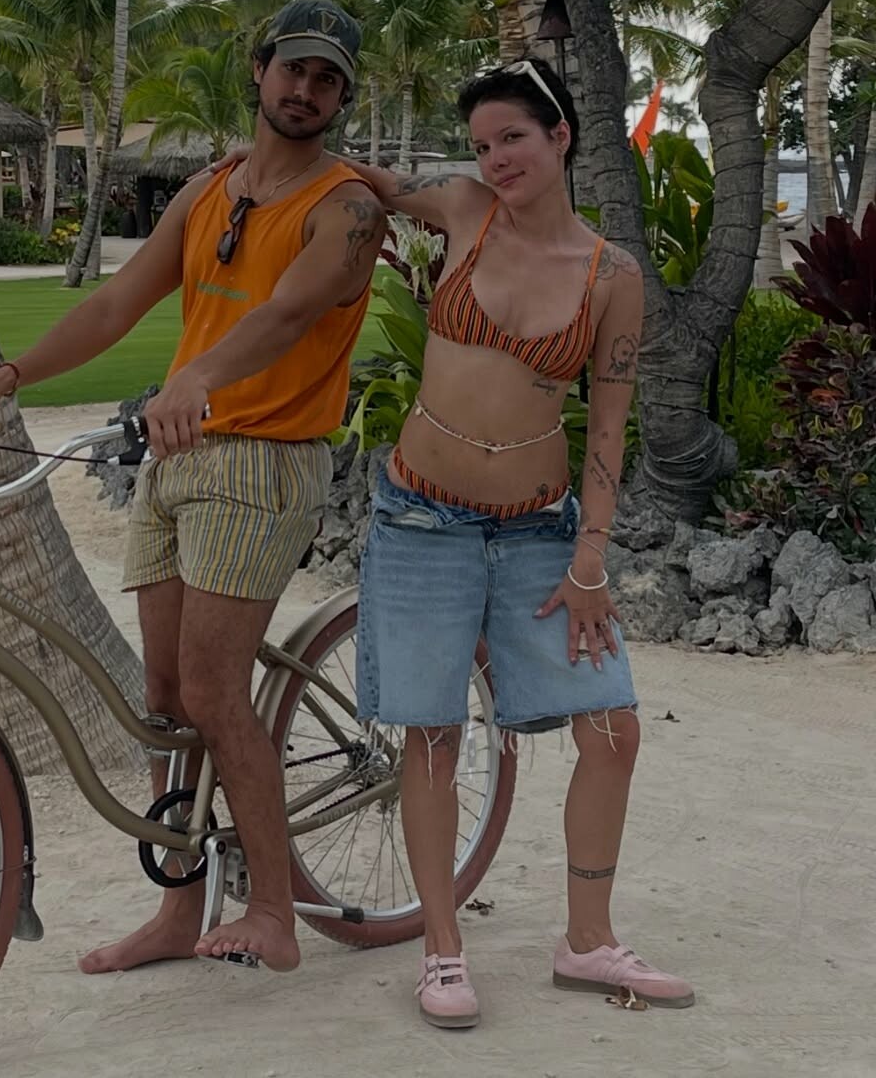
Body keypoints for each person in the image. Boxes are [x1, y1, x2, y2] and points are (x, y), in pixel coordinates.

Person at [0, 0, 386, 974]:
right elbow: (119, 302)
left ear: (342, 96)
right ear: (259, 70)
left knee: (212, 687)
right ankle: (180, 910)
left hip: (262, 460)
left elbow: (288, 313)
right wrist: (6, 377)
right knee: (167, 696)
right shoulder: (212, 191)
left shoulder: (348, 209)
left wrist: (198, 376)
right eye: (292, 68)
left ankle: (275, 911)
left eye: (327, 78)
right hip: (180, 450)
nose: (305, 89)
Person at [218, 57, 692, 1023]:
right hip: (423, 517)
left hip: (538, 530)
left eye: (513, 136)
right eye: (482, 144)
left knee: (612, 727)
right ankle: (442, 949)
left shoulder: (611, 276)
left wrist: (590, 560)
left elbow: (610, 426)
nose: (497, 158)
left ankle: (588, 940)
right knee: (433, 732)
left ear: (561, 136)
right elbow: (368, 181)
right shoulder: (466, 211)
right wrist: (261, 157)